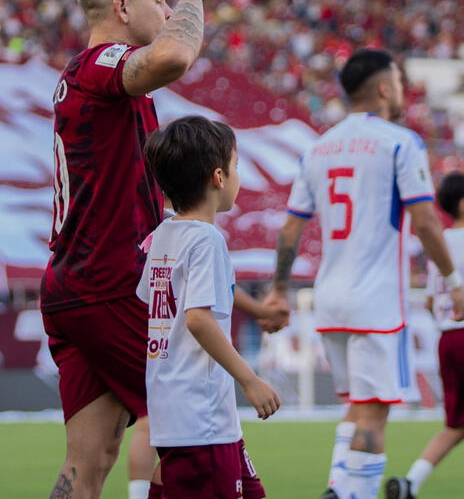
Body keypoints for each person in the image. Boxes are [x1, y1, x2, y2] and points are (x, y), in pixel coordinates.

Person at [40, 0, 237, 499]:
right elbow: (173, 57)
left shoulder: (96, 81)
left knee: (91, 459)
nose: (168, 7)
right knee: (191, 432)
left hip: (74, 286)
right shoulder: (100, 63)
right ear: (122, 7)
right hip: (108, 282)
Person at [262, 49, 464, 499]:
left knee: (357, 406)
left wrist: (278, 290)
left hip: (330, 298)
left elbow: (292, 226)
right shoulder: (399, 141)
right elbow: (427, 222)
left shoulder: (319, 147)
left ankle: (339, 485)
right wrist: (453, 282)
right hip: (376, 301)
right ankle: (356, 493)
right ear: (384, 88)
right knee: (374, 415)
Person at [137, 115, 280, 498]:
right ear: (219, 177)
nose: (238, 175)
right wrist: (250, 380)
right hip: (201, 417)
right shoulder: (207, 241)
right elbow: (198, 318)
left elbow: (150, 302)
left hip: (185, 409)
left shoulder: (163, 235)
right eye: (236, 166)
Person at [385, 171, 464, 499]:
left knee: (456, 424)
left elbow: (432, 301)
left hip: (448, 339)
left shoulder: (441, 242)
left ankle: (411, 483)